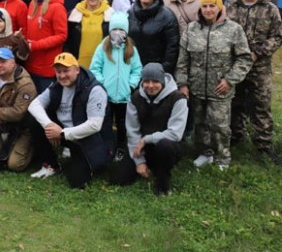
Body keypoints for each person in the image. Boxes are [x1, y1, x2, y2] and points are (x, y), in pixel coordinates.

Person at [176, 0, 252, 170]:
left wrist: (230, 80)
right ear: (200, 9)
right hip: (196, 88)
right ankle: (205, 153)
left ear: (219, 8)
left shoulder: (233, 30)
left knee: (220, 126)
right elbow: (183, 59)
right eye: (205, 6)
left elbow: (244, 58)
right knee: (200, 123)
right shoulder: (192, 29)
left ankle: (223, 157)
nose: (208, 10)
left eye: (212, 6)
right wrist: (183, 83)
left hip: (220, 89)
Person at [28, 53, 112, 189]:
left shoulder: (94, 89)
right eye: (58, 71)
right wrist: (49, 125)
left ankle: (93, 161)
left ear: (77, 70)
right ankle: (51, 165)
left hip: (90, 139)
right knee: (35, 119)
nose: (61, 76)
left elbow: (94, 126)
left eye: (66, 71)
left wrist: (61, 133)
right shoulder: (56, 86)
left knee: (78, 182)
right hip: (66, 133)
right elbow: (34, 105)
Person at [226, 0, 282, 164]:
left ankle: (264, 146)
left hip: (260, 67)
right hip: (236, 65)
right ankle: (236, 136)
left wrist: (259, 52)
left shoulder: (270, 9)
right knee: (235, 102)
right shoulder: (230, 7)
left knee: (261, 105)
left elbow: (277, 36)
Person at [110, 63, 188, 196]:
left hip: (167, 145)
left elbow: (175, 133)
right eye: (146, 81)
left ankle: (163, 181)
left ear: (162, 81)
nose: (150, 86)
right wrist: (139, 162)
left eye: (155, 81)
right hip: (141, 147)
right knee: (118, 179)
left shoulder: (178, 99)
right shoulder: (135, 98)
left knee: (165, 146)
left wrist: (147, 139)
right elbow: (132, 130)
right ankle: (146, 166)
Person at [89, 11, 143, 160]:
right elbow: (95, 68)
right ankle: (107, 148)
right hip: (106, 95)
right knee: (105, 123)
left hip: (125, 96)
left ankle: (121, 147)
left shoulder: (131, 49)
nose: (118, 33)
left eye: (121, 30)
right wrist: (103, 85)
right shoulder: (103, 48)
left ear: (126, 31)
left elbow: (137, 70)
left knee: (122, 125)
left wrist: (131, 85)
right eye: (114, 30)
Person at [25, 0, 67, 93]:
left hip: (47, 67)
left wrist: (36, 45)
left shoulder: (57, 8)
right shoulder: (32, 4)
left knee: (46, 105)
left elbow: (61, 36)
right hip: (31, 63)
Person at [127, 0, 180, 74]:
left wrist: (164, 71)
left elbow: (172, 48)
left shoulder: (167, 17)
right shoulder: (130, 14)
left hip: (156, 73)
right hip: (133, 71)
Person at [65, 0, 114, 68]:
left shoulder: (111, 16)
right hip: (78, 67)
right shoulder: (73, 15)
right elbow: (67, 43)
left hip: (103, 67)